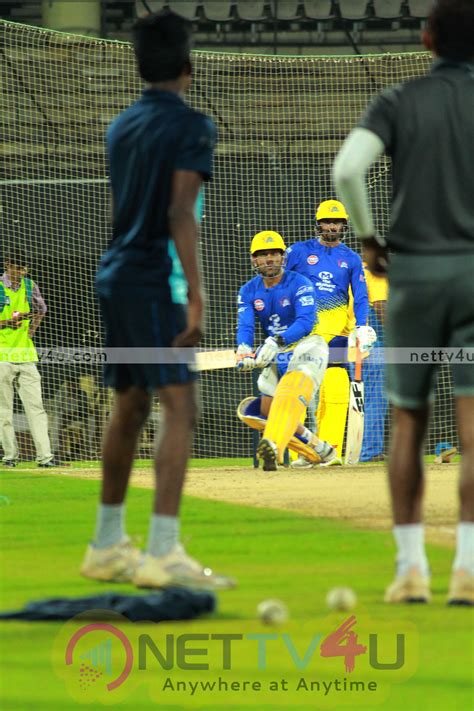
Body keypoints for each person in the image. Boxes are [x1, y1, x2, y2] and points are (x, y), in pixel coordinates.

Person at [80, 10, 234, 590]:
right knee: (180, 408)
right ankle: (164, 550)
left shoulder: (120, 126)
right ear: (189, 67)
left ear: (139, 64)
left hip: (114, 275)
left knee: (131, 405)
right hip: (153, 279)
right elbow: (178, 212)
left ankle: (106, 544)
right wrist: (196, 294)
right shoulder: (194, 126)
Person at [333, 0, 474, 605]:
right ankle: (467, 569)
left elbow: (347, 173)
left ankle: (411, 569)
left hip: (412, 277)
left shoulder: (395, 100)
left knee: (408, 425)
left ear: (425, 39)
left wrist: (369, 241)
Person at [236, 230, 337, 471]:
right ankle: (322, 449)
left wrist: (275, 342)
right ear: (254, 260)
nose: (269, 259)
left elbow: (305, 322)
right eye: (262, 255)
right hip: (277, 353)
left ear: (283, 258)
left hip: (307, 347)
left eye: (274, 254)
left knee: (288, 395)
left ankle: (272, 445)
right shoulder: (248, 291)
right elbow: (246, 326)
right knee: (265, 414)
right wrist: (244, 351)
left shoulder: (301, 283)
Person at [285, 200, 375, 465]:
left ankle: (329, 450)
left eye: (337, 222)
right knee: (296, 394)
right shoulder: (299, 252)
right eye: (327, 222)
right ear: (319, 224)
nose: (332, 226)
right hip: (302, 335)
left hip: (335, 336)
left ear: (344, 226)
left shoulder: (351, 258)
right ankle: (296, 452)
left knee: (336, 390)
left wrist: (361, 326)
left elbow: (360, 296)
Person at [0, 249, 57, 468]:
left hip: (25, 355)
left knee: (37, 407)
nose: (21, 272)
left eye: (24, 268)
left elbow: (42, 309)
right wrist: (7, 323)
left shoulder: (29, 285)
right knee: (4, 410)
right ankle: (9, 456)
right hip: (1, 355)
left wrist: (30, 331)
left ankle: (45, 457)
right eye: (17, 267)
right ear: (7, 265)